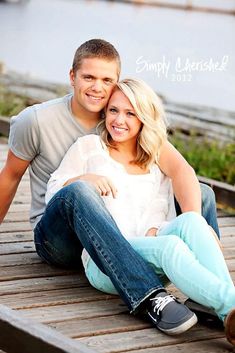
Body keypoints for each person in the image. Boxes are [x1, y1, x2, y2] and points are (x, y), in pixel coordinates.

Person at [0, 39, 219, 335]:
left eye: (107, 80)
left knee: (201, 193)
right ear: (72, 77)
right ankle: (149, 295)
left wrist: (195, 223)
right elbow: (9, 178)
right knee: (80, 192)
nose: (97, 87)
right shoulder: (37, 120)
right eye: (88, 77)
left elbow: (180, 169)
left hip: (108, 232)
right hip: (60, 238)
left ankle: (208, 295)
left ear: (116, 83)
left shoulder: (119, 118)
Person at [45, 78, 235, 344]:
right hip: (107, 264)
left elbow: (184, 174)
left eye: (130, 113)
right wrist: (83, 179)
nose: (119, 120)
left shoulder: (154, 154)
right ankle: (228, 305)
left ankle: (229, 310)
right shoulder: (88, 147)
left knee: (192, 220)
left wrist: (200, 227)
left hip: (154, 250)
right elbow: (55, 193)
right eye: (113, 110)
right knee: (170, 246)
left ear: (144, 117)